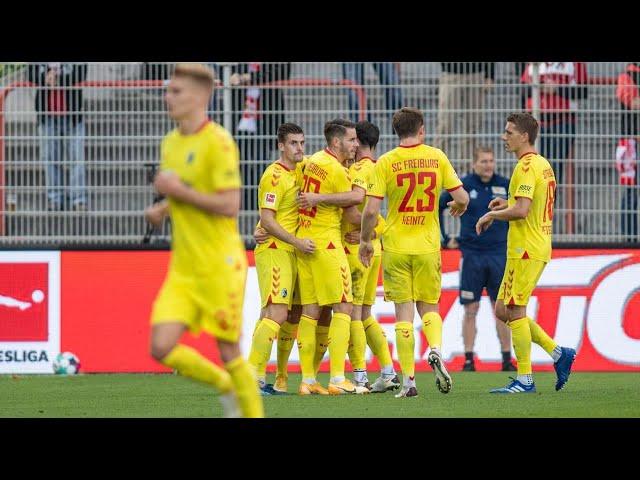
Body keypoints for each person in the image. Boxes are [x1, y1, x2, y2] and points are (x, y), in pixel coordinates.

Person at [144, 63, 263, 417]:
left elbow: (229, 204)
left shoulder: (218, 142)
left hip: (219, 266)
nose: (168, 97)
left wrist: (176, 190)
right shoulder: (171, 142)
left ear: (200, 97)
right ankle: (226, 386)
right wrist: (164, 208)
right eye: (168, 90)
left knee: (230, 352)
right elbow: (188, 191)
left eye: (176, 92)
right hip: (183, 270)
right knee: (160, 346)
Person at [360, 107, 470, 398]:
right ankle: (434, 350)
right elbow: (461, 196)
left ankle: (409, 383)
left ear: (397, 131)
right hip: (427, 246)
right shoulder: (436, 156)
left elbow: (371, 210)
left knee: (403, 316)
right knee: (429, 307)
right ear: (421, 129)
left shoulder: (385, 162)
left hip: (396, 246)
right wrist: (459, 206)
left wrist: (365, 241)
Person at [475, 112, 577, 394]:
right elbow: (525, 202)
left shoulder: (525, 167)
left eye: (509, 132)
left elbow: (522, 211)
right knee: (501, 309)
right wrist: (505, 202)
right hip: (528, 246)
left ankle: (525, 380)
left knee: (515, 309)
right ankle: (558, 353)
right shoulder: (542, 163)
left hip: (526, 249)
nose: (503, 137)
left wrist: (490, 216)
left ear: (524, 136)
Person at [294, 120, 367, 395]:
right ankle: (337, 378)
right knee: (344, 308)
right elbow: (351, 210)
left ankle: (308, 379)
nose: (355, 145)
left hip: (306, 243)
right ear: (336, 143)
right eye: (351, 140)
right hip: (328, 246)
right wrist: (378, 228)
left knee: (310, 312)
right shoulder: (336, 170)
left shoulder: (312, 161)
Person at [247, 123, 315, 395]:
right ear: (281, 146)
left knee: (269, 313)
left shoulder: (300, 166)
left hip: (287, 251)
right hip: (275, 249)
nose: (300, 148)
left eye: (302, 142)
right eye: (294, 143)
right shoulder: (273, 176)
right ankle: (251, 378)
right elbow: (267, 219)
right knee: (278, 313)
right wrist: (297, 241)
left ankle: (258, 377)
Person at [439, 146, 516, 372]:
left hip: (498, 255)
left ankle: (506, 359)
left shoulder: (505, 185)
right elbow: (439, 206)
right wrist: (444, 238)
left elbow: (520, 210)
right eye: (483, 161)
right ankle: (469, 359)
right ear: (474, 163)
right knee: (470, 308)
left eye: (491, 161)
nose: (488, 165)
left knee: (500, 309)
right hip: (472, 255)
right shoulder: (464, 186)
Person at [340, 120, 400, 392]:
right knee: (364, 312)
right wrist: (377, 232)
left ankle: (360, 375)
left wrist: (363, 232)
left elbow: (356, 209)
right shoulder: (380, 167)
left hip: (356, 249)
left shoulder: (359, 169)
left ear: (358, 142)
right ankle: (387, 371)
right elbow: (376, 212)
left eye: (352, 140)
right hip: (374, 249)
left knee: (351, 312)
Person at [27, 62, 88, 211]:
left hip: (73, 115)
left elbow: (81, 73)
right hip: (47, 116)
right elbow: (30, 74)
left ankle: (78, 199)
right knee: (50, 159)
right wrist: (45, 78)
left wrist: (58, 78)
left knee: (77, 159)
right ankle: (54, 198)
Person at [520, 62, 588, 187]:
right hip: (535, 122)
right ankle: (536, 204)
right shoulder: (531, 64)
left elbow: (582, 91)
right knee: (533, 167)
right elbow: (523, 90)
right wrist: (540, 86)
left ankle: (549, 204)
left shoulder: (575, 64)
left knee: (554, 168)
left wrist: (556, 89)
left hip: (564, 121)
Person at [434, 62, 495, 164]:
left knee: (472, 126)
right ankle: (437, 165)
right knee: (445, 125)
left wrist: (490, 75)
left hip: (476, 74)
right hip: (450, 73)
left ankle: (467, 168)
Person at [616, 62, 640, 242]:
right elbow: (633, 103)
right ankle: (629, 237)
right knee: (631, 191)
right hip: (631, 142)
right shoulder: (627, 76)